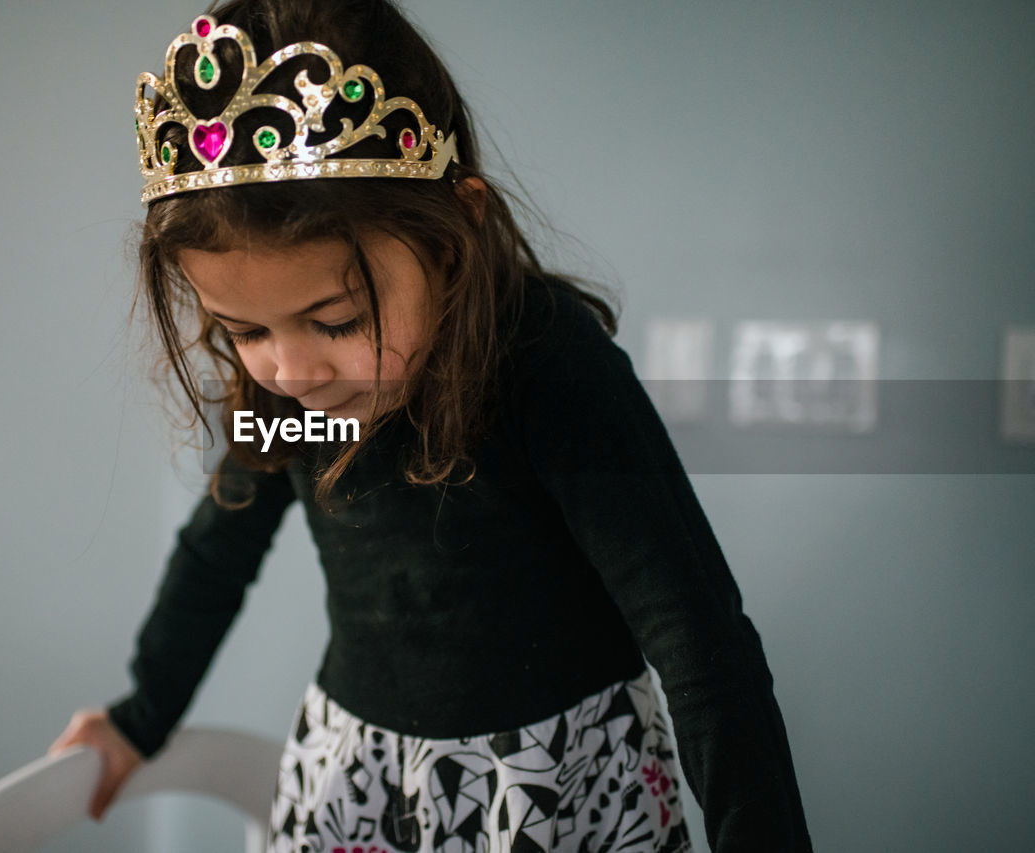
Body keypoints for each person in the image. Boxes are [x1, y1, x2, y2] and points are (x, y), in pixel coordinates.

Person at [48, 1, 813, 850]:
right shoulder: (288, 404)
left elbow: (699, 637)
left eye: (336, 319)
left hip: (550, 785)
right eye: (247, 332)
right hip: (354, 779)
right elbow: (217, 550)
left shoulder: (546, 365)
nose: (293, 372)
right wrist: (139, 716)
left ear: (455, 231)